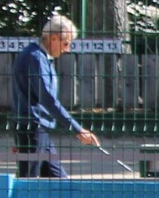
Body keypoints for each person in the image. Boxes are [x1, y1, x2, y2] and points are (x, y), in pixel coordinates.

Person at [10, 13, 100, 177]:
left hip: (38, 127)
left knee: (58, 181)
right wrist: (77, 129)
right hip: (32, 128)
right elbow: (48, 99)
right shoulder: (35, 58)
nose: (67, 49)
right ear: (53, 39)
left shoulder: (39, 56)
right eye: (66, 43)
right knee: (27, 181)